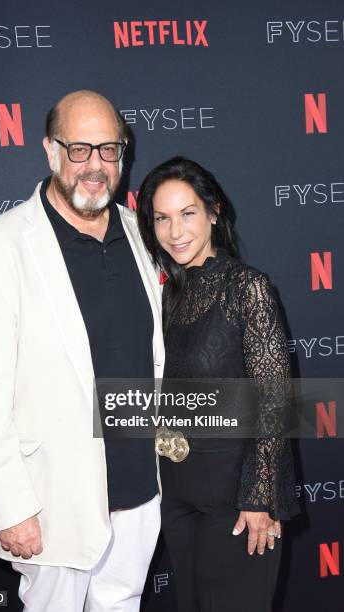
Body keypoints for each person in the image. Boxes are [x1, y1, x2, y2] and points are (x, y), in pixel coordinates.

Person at [0, 90, 164, 612]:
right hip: (50, 499)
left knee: (122, 603)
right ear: (50, 151)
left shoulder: (142, 234)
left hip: (138, 485)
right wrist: (10, 507)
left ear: (124, 153)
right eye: (79, 149)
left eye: (108, 149)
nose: (95, 166)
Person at [136, 156, 299, 612]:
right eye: (162, 218)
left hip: (236, 497)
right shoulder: (164, 293)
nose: (175, 232)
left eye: (187, 213)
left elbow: (274, 399)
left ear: (214, 211)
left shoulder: (246, 287)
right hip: (175, 491)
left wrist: (259, 497)